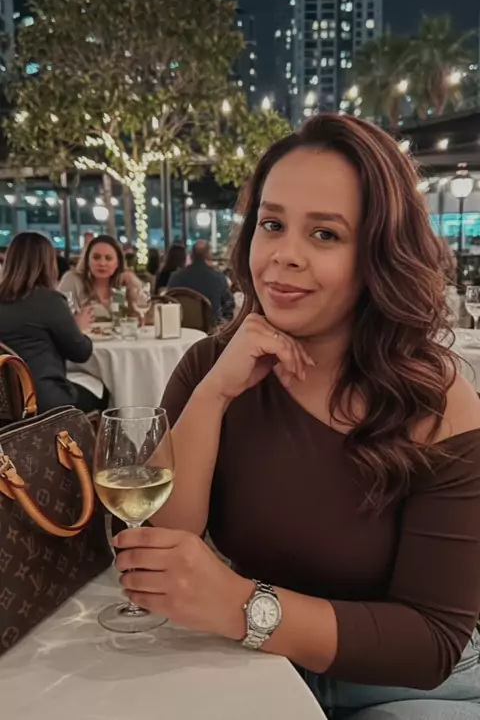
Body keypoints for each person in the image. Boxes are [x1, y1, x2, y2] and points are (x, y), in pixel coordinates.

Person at [114, 114, 480, 720]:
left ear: (378, 254)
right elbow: (160, 541)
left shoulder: (438, 404)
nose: (284, 256)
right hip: (257, 667)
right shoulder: (210, 364)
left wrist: (241, 605)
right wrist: (214, 394)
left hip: (403, 689)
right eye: (272, 224)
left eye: (325, 234)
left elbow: (431, 642)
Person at [0, 232, 106, 414]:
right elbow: (81, 352)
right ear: (48, 263)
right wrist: (79, 327)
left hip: (4, 404)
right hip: (42, 401)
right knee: (103, 392)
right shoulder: (49, 301)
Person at [59, 234, 141, 320]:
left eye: (108, 258)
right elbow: (58, 318)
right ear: (87, 261)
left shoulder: (125, 282)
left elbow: (144, 314)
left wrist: (132, 288)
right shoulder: (72, 279)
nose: (102, 263)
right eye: (96, 257)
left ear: (117, 263)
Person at [167, 240, 234, 323]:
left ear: (191, 255)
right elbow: (229, 306)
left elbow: (168, 302)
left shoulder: (175, 277)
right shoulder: (219, 278)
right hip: (211, 327)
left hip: (179, 325)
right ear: (209, 255)